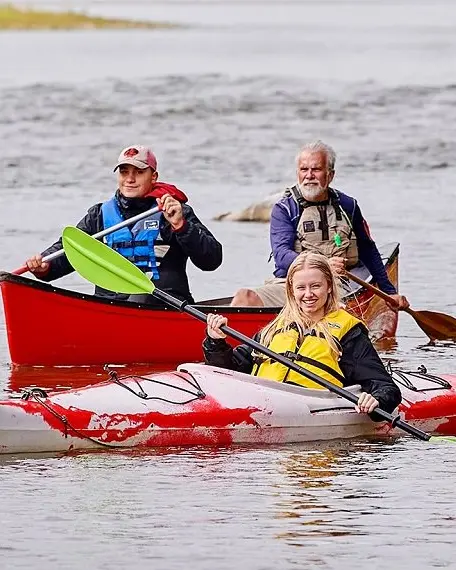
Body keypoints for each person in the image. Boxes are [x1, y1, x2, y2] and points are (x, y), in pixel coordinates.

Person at [204, 252, 402, 416]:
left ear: (329, 287)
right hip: (261, 403)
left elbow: (386, 388)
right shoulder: (275, 329)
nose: (308, 294)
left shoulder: (348, 332)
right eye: (301, 288)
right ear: (291, 290)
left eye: (315, 286)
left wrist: (376, 400)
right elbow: (229, 371)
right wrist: (216, 342)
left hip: (310, 408)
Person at [25, 145, 223, 304]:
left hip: (167, 305)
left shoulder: (174, 211)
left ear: (153, 177)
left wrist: (182, 226)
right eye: (124, 171)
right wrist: (44, 266)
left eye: (138, 172)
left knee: (141, 296)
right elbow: (68, 251)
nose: (129, 179)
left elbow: (212, 260)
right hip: (110, 306)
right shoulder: (99, 215)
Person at [230, 140, 409, 311]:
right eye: (304, 169)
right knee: (244, 297)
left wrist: (390, 292)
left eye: (316, 169)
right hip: (293, 286)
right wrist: (323, 265)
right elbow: (282, 255)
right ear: (297, 173)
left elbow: (368, 250)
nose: (309, 176)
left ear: (330, 175)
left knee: (331, 304)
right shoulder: (285, 208)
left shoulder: (348, 206)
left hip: (337, 286)